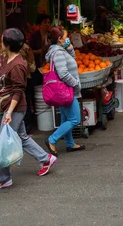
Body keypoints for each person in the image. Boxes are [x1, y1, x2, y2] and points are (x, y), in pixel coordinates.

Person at [0, 28, 56, 191]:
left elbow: (18, 91)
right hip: (9, 106)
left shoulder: (17, 65)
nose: (0, 42)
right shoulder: (4, 60)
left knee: (4, 141)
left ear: (7, 44)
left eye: (2, 40)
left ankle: (3, 178)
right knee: (21, 137)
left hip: (15, 108)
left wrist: (9, 113)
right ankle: (46, 159)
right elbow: (1, 84)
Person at [44, 27, 85, 156]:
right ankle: (52, 139)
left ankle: (70, 143)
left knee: (65, 118)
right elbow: (63, 73)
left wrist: (70, 48)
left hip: (65, 89)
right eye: (66, 37)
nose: (68, 38)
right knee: (75, 119)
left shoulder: (61, 50)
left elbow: (71, 60)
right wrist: (75, 84)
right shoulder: (58, 53)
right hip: (66, 89)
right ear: (60, 39)